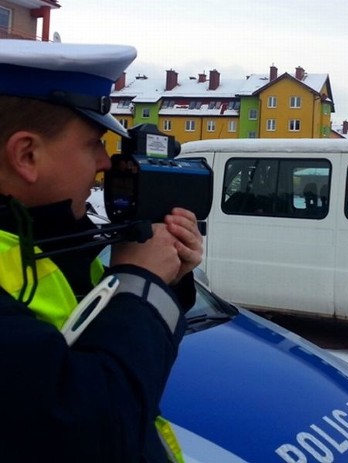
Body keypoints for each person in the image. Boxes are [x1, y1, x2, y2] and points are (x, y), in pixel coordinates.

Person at [0, 40, 203, 462]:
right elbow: (90, 430)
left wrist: (167, 277)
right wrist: (140, 286)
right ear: (27, 155)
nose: (105, 163)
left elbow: (89, 335)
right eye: (94, 142)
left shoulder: (37, 239)